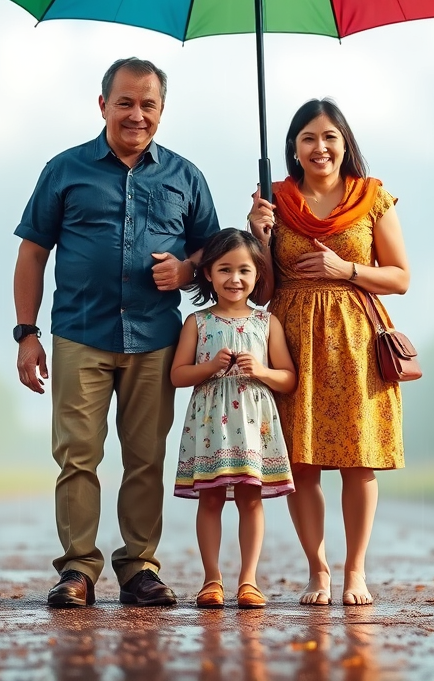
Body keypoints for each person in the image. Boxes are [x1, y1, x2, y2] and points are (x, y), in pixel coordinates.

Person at [13, 57, 219, 609]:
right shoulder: (64, 170)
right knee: (77, 455)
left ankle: (140, 569)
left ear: (162, 110)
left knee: (146, 457)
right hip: (80, 333)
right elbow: (33, 253)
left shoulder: (186, 177)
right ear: (103, 104)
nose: (136, 114)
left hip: (156, 339)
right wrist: (27, 333)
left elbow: (213, 252)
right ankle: (77, 569)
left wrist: (187, 270)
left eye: (148, 104)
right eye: (125, 102)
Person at [247, 98, 410, 607]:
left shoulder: (371, 197)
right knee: (302, 463)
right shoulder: (273, 200)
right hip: (291, 338)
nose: (320, 147)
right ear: (294, 148)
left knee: (359, 460)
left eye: (329, 137)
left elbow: (400, 277)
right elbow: (259, 291)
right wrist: (258, 238)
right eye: (308, 138)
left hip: (357, 341)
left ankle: (355, 571)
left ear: (344, 143)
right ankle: (317, 571)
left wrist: (347, 270)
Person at [170, 228, 296, 610]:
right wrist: (209, 367)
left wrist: (262, 370)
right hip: (211, 424)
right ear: (208, 273)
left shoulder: (267, 323)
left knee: (250, 500)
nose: (234, 279)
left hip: (253, 427)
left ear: (258, 273)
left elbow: (288, 378)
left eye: (244, 270)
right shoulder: (197, 322)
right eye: (224, 269)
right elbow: (177, 375)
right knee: (209, 500)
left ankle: (248, 581)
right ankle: (211, 579)